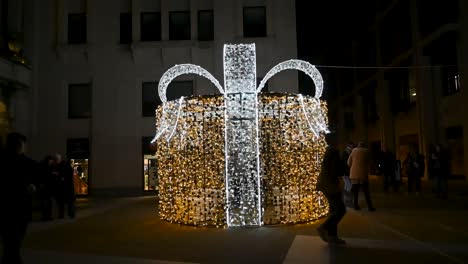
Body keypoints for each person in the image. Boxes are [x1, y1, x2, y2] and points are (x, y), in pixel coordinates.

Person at [0, 132, 36, 264]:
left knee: (9, 245)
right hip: (18, 209)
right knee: (14, 245)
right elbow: (38, 171)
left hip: (4, 209)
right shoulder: (22, 161)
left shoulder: (3, 158)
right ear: (19, 145)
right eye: (23, 145)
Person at [316, 133, 346, 245]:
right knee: (341, 209)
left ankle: (332, 237)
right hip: (330, 184)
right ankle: (323, 227)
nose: (339, 139)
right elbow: (335, 169)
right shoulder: (333, 151)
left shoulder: (329, 150)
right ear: (334, 140)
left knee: (334, 210)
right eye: (337, 138)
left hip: (326, 183)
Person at [348, 141, 375, 211]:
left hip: (354, 174)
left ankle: (355, 206)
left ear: (358, 145)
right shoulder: (367, 151)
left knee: (355, 192)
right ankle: (370, 207)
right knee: (366, 191)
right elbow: (370, 163)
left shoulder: (353, 151)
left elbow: (348, 162)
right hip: (363, 174)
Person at [53, 154, 76, 219]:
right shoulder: (66, 166)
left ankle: (63, 215)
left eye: (56, 159)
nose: (55, 161)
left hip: (64, 188)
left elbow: (63, 176)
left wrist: (59, 175)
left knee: (62, 203)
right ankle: (70, 214)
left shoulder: (60, 166)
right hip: (68, 188)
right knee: (69, 202)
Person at [38, 155, 55, 221]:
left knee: (45, 202)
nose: (52, 162)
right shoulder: (47, 167)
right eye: (51, 160)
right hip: (47, 187)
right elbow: (47, 176)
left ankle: (46, 216)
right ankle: (47, 216)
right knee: (47, 202)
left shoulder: (43, 166)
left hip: (45, 187)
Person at [341, 142, 354, 208]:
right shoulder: (345, 153)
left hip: (347, 173)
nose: (352, 148)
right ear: (348, 147)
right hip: (346, 173)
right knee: (349, 187)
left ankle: (346, 201)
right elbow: (345, 164)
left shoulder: (347, 153)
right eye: (351, 147)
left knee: (347, 187)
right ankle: (348, 201)